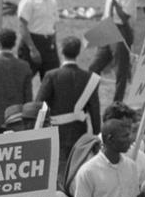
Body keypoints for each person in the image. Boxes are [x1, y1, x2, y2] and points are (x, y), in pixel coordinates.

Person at [37, 36, 101, 171]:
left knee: (57, 169)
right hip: (79, 132)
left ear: (61, 50)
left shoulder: (52, 75)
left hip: (56, 131)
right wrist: (96, 135)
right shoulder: (89, 78)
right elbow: (95, 110)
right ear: (78, 53)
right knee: (75, 169)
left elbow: (39, 105)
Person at [73, 120, 139, 197]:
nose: (130, 140)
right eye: (125, 136)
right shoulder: (88, 170)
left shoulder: (131, 166)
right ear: (110, 139)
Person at [89, 0, 136, 104]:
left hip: (121, 30)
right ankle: (91, 97)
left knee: (120, 70)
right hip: (107, 28)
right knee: (94, 66)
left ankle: (117, 102)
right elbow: (106, 13)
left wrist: (115, 1)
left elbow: (124, 17)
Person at [16, 0, 60, 80]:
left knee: (53, 80)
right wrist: (33, 49)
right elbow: (23, 25)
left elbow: (53, 25)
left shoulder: (52, 2)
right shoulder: (29, 0)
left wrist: (53, 44)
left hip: (48, 44)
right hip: (33, 41)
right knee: (24, 80)